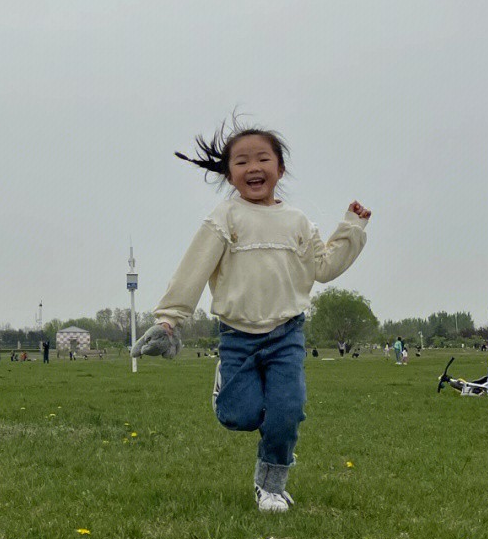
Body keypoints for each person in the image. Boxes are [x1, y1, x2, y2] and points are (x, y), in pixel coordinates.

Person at [131, 119, 371, 512]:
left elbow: (323, 268)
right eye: (241, 161)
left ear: (280, 168)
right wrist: (169, 320)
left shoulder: (297, 223)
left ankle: (271, 486)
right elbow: (193, 269)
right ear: (228, 173)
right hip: (238, 335)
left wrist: (352, 228)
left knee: (287, 411)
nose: (253, 167)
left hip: (287, 334)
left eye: (263, 158)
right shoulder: (224, 218)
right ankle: (224, 385)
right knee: (238, 415)